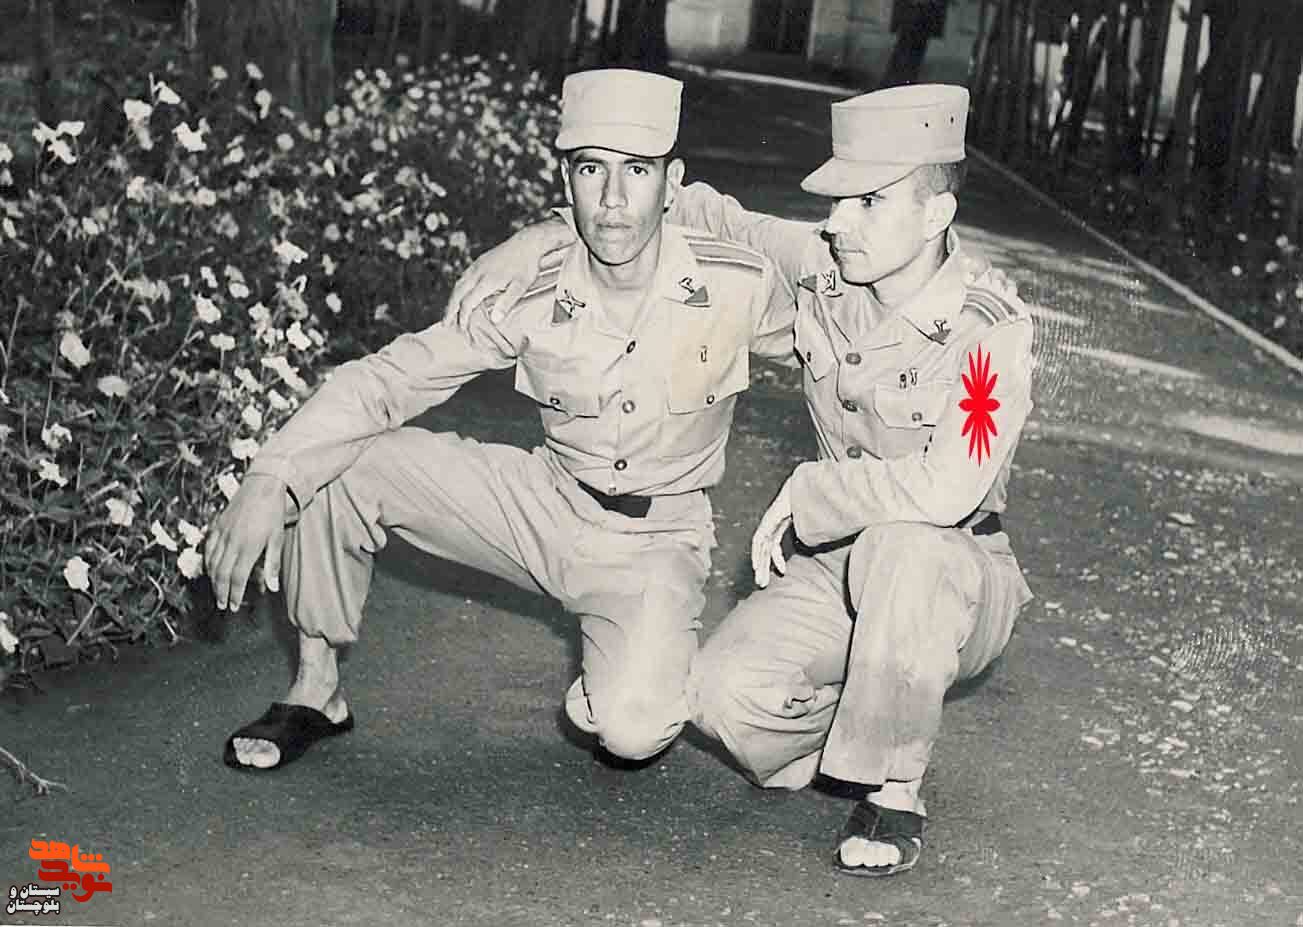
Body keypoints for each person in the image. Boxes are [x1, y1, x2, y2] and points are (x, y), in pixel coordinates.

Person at [449, 84, 1036, 877]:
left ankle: (896, 789)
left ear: (936, 213)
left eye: (867, 201)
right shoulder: (828, 268)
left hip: (954, 574)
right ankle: (868, 714)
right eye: (836, 201)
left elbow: (946, 490)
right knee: (716, 695)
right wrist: (539, 236)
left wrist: (809, 492)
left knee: (904, 546)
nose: (837, 222)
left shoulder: (989, 330)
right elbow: (687, 207)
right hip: (836, 570)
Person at [205, 68, 796, 772]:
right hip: (541, 505)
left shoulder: (737, 284)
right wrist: (270, 479)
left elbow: (838, 349)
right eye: (591, 169)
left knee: (632, 730)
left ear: (672, 185)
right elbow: (387, 380)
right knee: (340, 456)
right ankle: (315, 687)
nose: (612, 198)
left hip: (655, 540)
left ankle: (624, 671)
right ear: (567, 182)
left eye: (637, 171)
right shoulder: (527, 289)